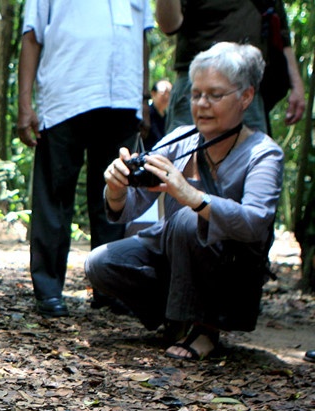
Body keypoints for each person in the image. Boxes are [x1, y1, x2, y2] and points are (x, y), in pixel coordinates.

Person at [85, 42, 283, 361]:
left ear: (245, 97)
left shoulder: (263, 153)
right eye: (196, 94)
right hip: (174, 256)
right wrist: (117, 185)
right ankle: (176, 320)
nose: (202, 104)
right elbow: (129, 207)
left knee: (189, 218)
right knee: (101, 263)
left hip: (230, 271)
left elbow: (256, 223)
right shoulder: (182, 139)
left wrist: (192, 196)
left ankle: (205, 328)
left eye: (214, 95)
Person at [17, 0, 152, 318]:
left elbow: (142, 38)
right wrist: (25, 104)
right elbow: (32, 35)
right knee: (55, 195)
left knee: (115, 191)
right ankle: (48, 290)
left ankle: (109, 286)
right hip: (67, 93)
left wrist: (143, 97)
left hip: (123, 95)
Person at [155, 0, 305, 133]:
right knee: (183, 157)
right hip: (197, 84)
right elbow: (169, 24)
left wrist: (296, 85)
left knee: (251, 159)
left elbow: (280, 30)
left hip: (247, 87)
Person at [145, 79, 173, 150]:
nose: (167, 97)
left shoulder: (168, 117)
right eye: (163, 93)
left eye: (169, 93)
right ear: (153, 93)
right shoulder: (147, 115)